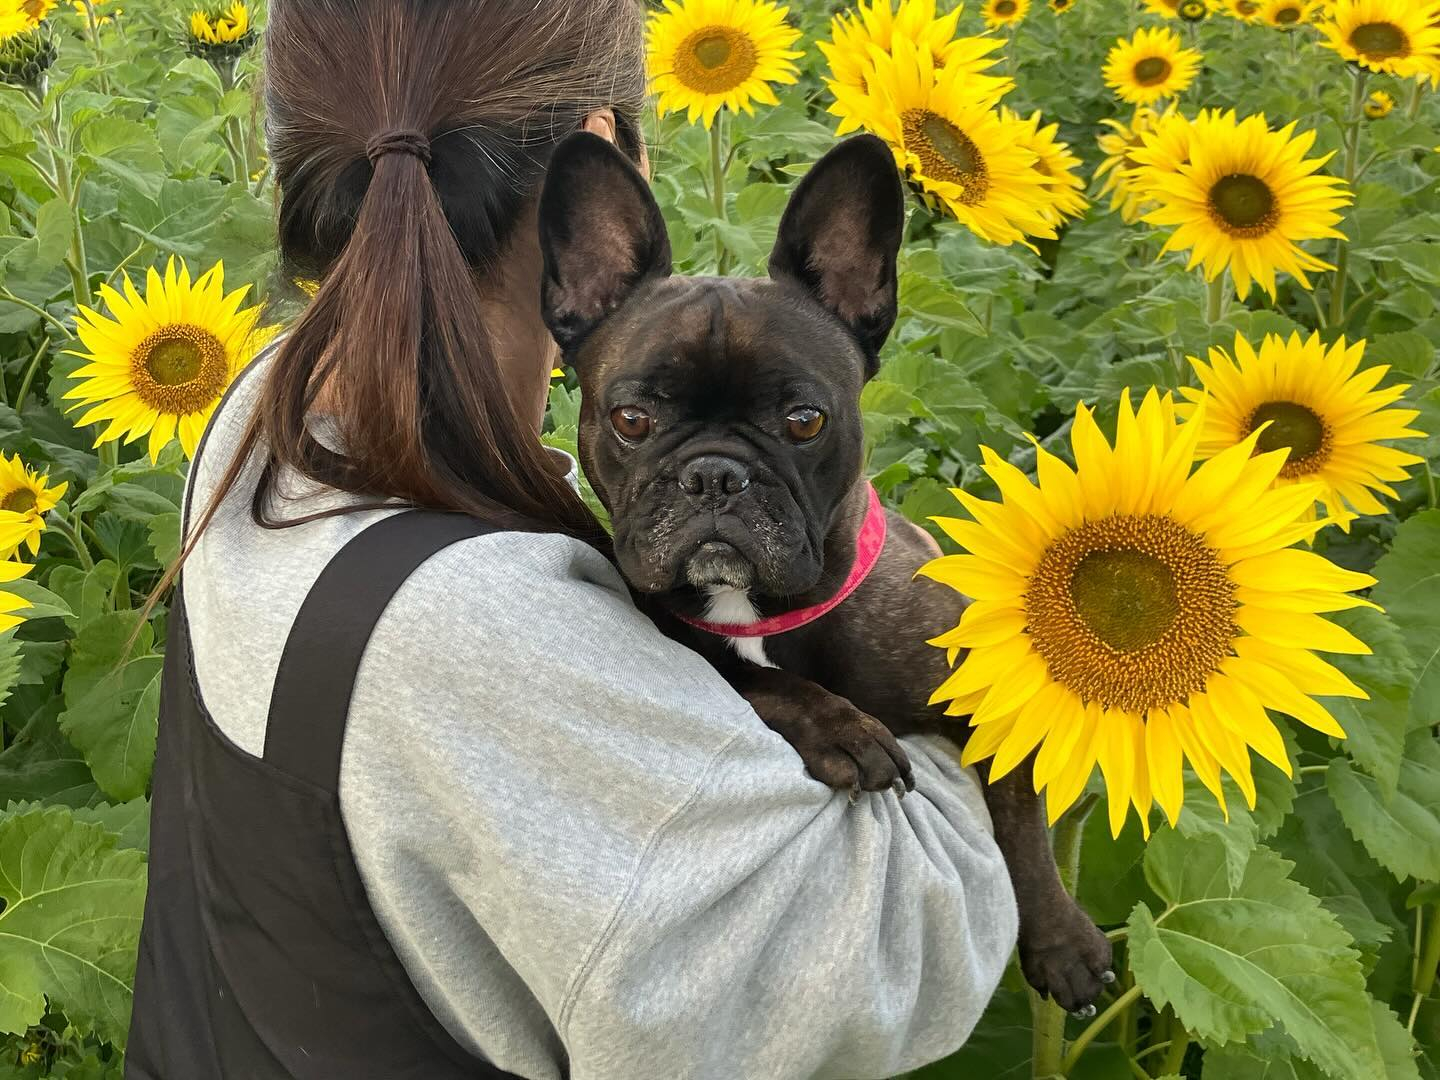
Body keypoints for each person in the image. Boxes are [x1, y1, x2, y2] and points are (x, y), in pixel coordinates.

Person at [125, 2, 1019, 1078]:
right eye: (643, 423)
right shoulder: (491, 631)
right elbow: (872, 973)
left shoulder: (261, 414)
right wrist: (1025, 701)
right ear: (600, 158)